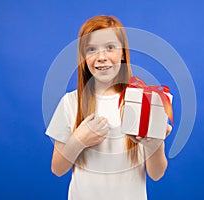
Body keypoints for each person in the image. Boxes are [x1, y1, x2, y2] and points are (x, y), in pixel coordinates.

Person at [45, 15, 172, 200]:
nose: (101, 57)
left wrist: (155, 144)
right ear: (83, 57)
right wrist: (78, 140)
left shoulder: (144, 101)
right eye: (91, 49)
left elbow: (156, 174)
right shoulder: (70, 102)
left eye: (110, 47)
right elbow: (57, 169)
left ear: (122, 53)